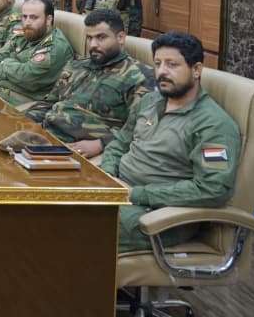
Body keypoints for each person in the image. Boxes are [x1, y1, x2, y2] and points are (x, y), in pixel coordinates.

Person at [101, 31, 240, 253]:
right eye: (157, 64)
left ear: (196, 70)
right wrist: (107, 175)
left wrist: (136, 194)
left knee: (72, 225)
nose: (162, 72)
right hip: (118, 192)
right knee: (52, 207)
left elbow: (212, 188)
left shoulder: (213, 125)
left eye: (172, 64)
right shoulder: (150, 101)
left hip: (159, 215)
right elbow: (120, 142)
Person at [25, 9, 153, 159]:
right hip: (45, 135)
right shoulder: (76, 66)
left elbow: (141, 128)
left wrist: (101, 143)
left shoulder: (138, 76)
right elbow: (49, 102)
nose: (93, 45)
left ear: (120, 38)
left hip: (77, 148)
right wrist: (25, 122)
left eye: (101, 37)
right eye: (89, 38)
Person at [0, 0, 74, 106]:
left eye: (33, 17)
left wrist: (4, 62)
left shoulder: (55, 47)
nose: (27, 22)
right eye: (24, 17)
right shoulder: (24, 35)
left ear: (48, 20)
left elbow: (27, 79)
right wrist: (15, 69)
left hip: (27, 104)